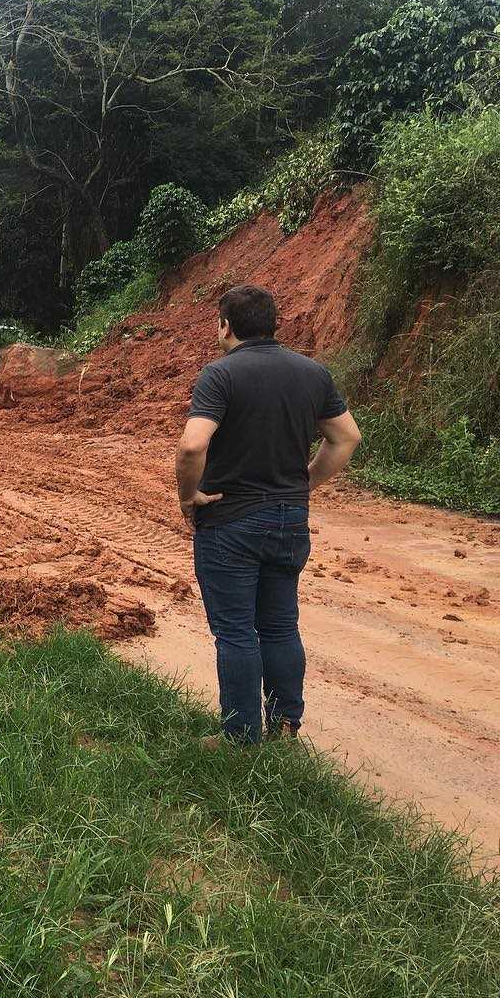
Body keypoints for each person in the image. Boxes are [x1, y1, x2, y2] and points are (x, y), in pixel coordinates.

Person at [175, 284, 362, 745]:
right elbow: (346, 438)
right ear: (273, 322)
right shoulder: (313, 373)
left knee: (237, 631)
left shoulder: (219, 376)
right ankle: (284, 726)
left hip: (230, 523)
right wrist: (305, 483)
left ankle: (240, 737)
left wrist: (188, 496)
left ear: (225, 325)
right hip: (289, 522)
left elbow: (192, 444)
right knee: (280, 626)